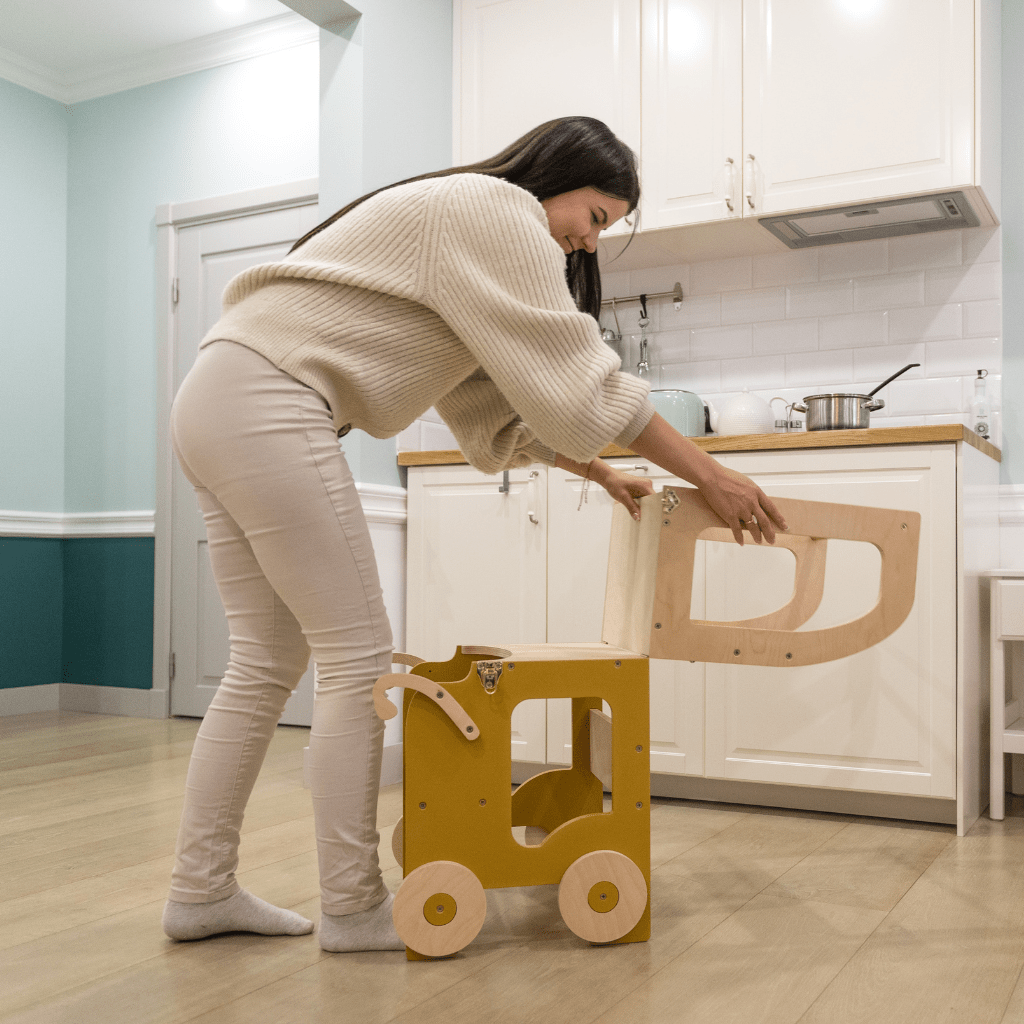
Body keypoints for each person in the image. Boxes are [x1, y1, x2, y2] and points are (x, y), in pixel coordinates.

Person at [162, 116, 786, 953]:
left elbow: (495, 408)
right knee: (356, 658)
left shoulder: (471, 231)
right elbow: (577, 381)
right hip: (269, 400)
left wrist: (598, 472)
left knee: (265, 660)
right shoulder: (497, 212)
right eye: (596, 216)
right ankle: (351, 907)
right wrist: (705, 471)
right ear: (559, 176)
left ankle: (200, 891)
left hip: (219, 395)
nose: (588, 244)